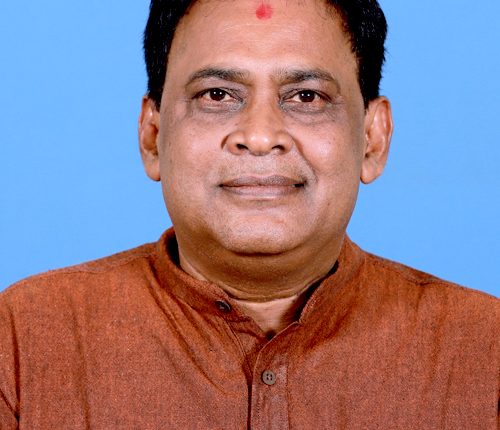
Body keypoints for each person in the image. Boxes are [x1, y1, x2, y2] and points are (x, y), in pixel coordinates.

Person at [0, 0, 498, 428]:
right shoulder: (25, 339)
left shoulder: (483, 350)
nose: (260, 136)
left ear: (372, 139)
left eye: (306, 97)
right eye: (217, 95)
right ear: (152, 136)